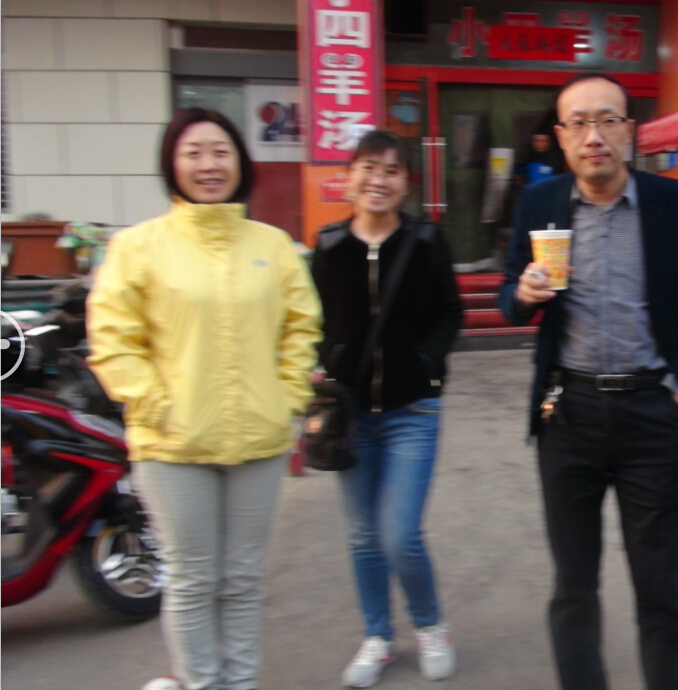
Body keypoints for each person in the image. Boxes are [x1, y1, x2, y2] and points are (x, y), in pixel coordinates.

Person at [498, 72, 678, 690]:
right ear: (560, 136)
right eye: (578, 123)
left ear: (629, 131)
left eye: (607, 120)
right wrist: (522, 295)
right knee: (574, 584)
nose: (593, 136)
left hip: (653, 412)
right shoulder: (539, 204)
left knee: (659, 585)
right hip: (567, 411)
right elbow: (510, 293)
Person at [87, 107, 322, 690]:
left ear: (240, 162)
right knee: (192, 580)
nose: (208, 165)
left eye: (220, 151)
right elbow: (114, 339)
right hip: (173, 446)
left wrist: (287, 398)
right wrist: (154, 404)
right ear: (172, 164)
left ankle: (238, 683)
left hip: (259, 440)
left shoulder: (273, 246)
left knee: (242, 578)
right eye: (193, 153)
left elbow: (301, 328)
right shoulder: (137, 247)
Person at [310, 130, 463, 687]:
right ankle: (377, 636)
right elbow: (311, 321)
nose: (379, 180)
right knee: (361, 535)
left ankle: (429, 625)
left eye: (392, 171)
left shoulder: (425, 241)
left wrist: (425, 361)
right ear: (349, 176)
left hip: (412, 412)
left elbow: (450, 312)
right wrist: (322, 363)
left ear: (406, 184)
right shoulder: (328, 247)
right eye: (369, 168)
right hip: (349, 415)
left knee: (399, 535)